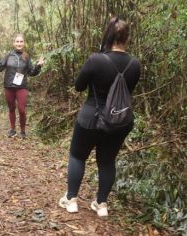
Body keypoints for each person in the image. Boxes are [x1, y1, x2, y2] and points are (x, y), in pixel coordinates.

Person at [58, 17, 141, 217]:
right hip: (120, 120)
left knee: (78, 156)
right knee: (107, 161)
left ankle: (71, 200)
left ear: (108, 35)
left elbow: (79, 86)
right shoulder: (135, 64)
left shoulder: (96, 59)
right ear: (127, 37)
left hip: (91, 118)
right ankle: (102, 204)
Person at [0, 33, 45, 139]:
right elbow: (0, 68)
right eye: (17, 41)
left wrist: (38, 66)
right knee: (11, 108)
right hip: (9, 86)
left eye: (21, 41)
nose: (19, 43)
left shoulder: (26, 56)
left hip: (21, 87)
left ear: (24, 43)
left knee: (22, 109)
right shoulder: (8, 55)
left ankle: (23, 131)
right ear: (13, 43)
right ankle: (12, 130)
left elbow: (31, 72)